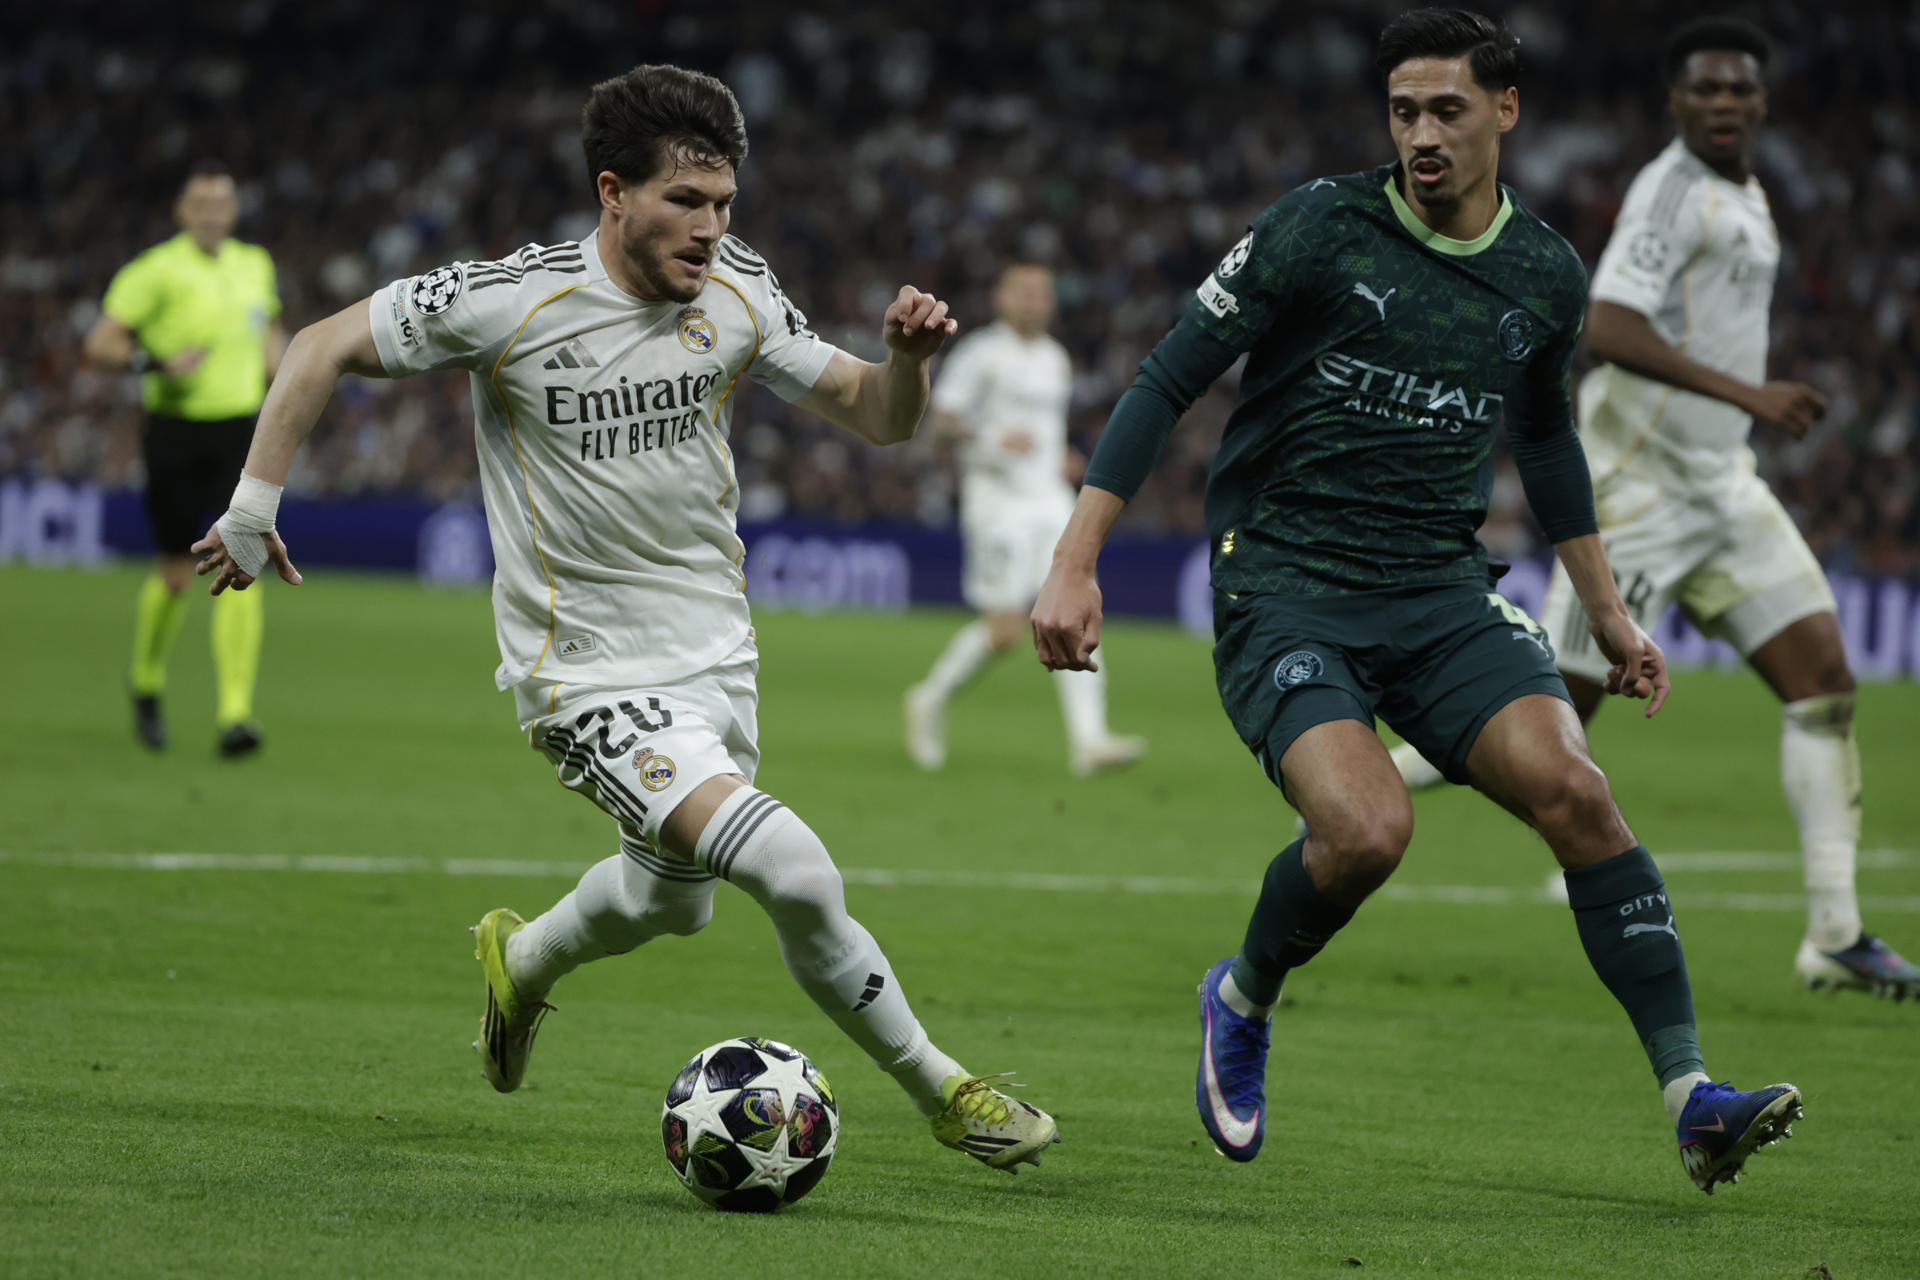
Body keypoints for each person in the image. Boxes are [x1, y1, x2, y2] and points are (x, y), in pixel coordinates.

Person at [192, 65, 1058, 1172]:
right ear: (614, 193)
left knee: (669, 904)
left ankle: (525, 961)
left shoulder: (740, 288)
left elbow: (876, 417)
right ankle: (946, 1088)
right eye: (685, 204)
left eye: (724, 204)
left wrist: (907, 363)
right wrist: (255, 506)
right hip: (582, 673)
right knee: (790, 867)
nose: (711, 230)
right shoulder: (511, 300)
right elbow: (317, 345)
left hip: (715, 656)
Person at [1031, 9, 1799, 1193]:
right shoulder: (1317, 227)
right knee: (1367, 829)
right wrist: (1075, 558)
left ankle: (1693, 1095)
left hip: (1441, 590)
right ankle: (1242, 994)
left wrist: (1606, 609)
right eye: (1403, 111)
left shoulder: (1543, 274)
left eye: (1446, 109)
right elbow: (1169, 372)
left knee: (1580, 793)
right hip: (1288, 583)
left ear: (1506, 108)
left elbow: (1545, 440)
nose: (1422, 134)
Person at [1387, 17, 1920, 1002]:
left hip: (1724, 487)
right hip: (1636, 486)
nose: (1724, 104)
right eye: (1706, 90)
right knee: (1552, 716)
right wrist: (1751, 395)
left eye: (1740, 91)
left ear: (1761, 100)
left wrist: (1738, 420)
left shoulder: (1748, 192)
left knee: (1827, 685)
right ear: (1677, 101)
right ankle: (1366, 784)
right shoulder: (1669, 193)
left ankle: (1836, 934)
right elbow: (1612, 325)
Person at [904, 262, 1146, 776]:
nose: (1036, 301)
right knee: (1006, 632)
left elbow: (1043, 430)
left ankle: (1090, 740)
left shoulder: (1056, 359)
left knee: (1075, 612)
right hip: (996, 508)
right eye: (1026, 292)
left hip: (1052, 504)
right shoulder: (980, 354)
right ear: (1001, 298)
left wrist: (1058, 458)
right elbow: (941, 425)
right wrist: (992, 443)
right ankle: (929, 698)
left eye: (1044, 293)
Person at [84, 161, 285, 756]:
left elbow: (270, 333)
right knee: (175, 576)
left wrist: (288, 375)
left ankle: (235, 715)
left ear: (234, 211)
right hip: (174, 431)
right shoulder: (154, 270)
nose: (212, 214)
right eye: (201, 204)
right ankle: (146, 682)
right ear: (182, 211)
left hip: (241, 434)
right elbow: (101, 343)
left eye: (221, 203)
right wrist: (153, 362)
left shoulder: (256, 264)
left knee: (244, 564)